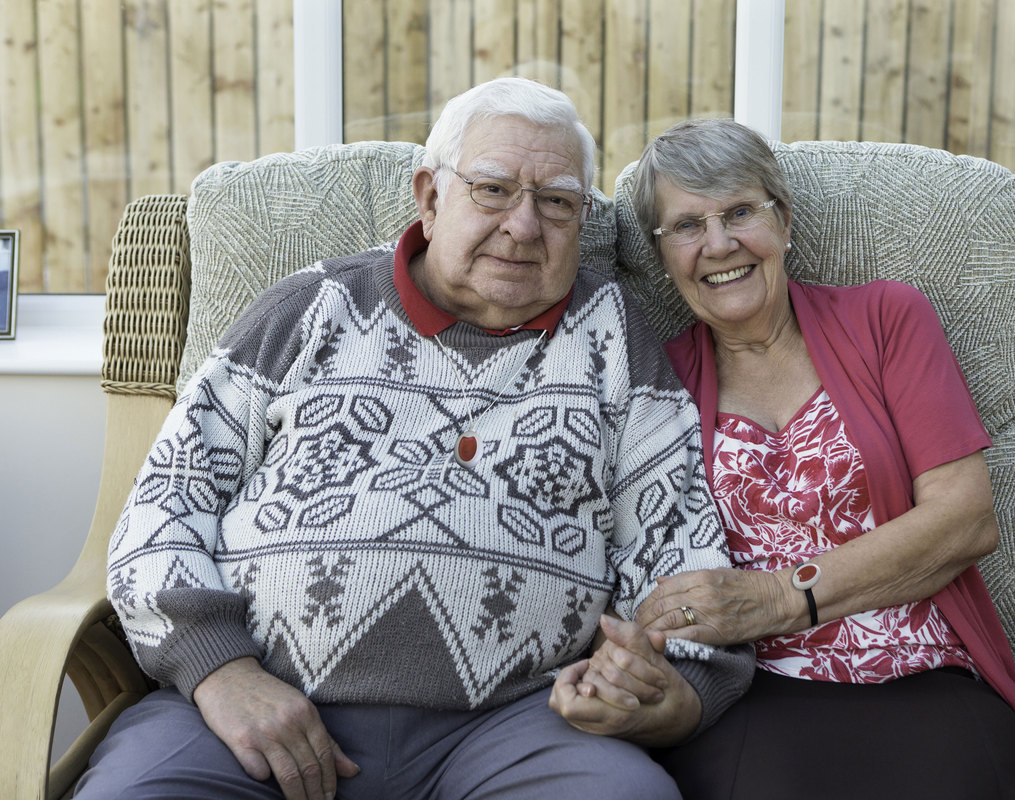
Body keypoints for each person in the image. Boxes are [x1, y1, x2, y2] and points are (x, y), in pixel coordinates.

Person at [78, 79, 753, 800]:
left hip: (513, 725)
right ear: (430, 197)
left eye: (557, 202)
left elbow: (679, 543)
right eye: (493, 190)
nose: (525, 227)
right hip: (254, 704)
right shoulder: (308, 309)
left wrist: (677, 685)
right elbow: (161, 509)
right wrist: (220, 671)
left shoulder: (615, 339)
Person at [597, 118, 1015, 799]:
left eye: (738, 212)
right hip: (755, 695)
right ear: (665, 255)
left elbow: (965, 519)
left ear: (783, 221)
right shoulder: (657, 384)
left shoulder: (886, 319)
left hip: (923, 670)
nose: (719, 244)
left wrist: (784, 596)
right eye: (688, 226)